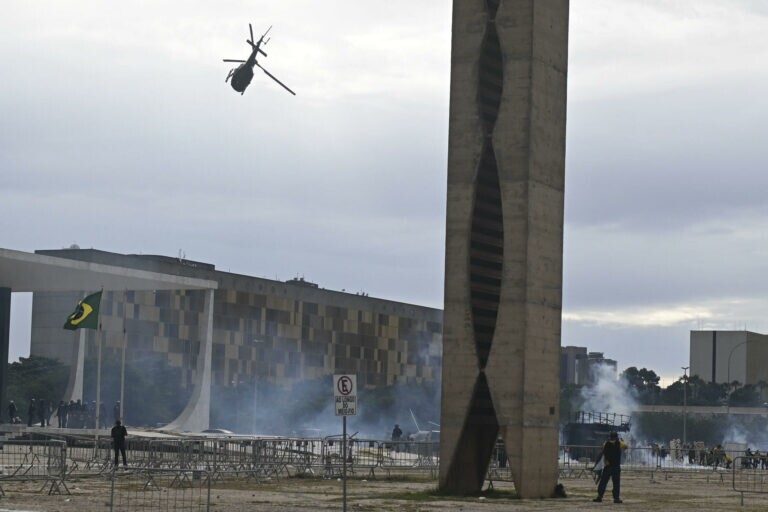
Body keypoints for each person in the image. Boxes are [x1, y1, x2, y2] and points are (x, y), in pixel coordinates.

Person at [592, 431, 627, 503]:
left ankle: (599, 497)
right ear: (616, 437)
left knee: (603, 482)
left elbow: (601, 452)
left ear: (610, 437)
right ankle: (616, 498)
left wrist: (596, 463)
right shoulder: (620, 443)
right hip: (616, 467)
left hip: (608, 466)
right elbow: (626, 447)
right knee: (616, 483)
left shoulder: (606, 444)